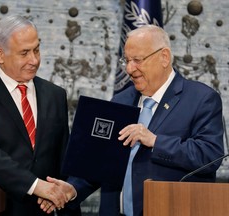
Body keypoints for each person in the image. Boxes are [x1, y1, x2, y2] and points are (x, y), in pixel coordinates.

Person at [65, 25, 225, 216]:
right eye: (127, 61)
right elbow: (101, 162)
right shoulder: (120, 101)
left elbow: (210, 155)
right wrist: (71, 189)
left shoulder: (201, 98)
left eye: (138, 60)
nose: (130, 69)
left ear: (164, 57)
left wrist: (155, 141)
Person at [0, 14, 80, 216]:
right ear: (0, 54)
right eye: (24, 53)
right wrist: (36, 186)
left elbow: (62, 157)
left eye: (36, 50)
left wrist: (63, 193)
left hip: (47, 210)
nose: (34, 60)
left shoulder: (55, 95)